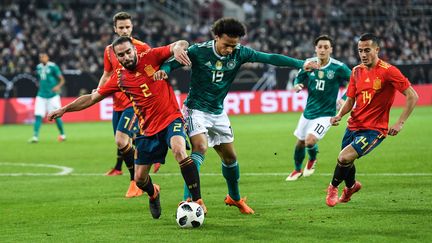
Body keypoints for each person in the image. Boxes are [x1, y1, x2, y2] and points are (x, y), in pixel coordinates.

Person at [155, 17, 316, 214]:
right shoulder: (199, 51)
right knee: (200, 147)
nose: (230, 49)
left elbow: (270, 58)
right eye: (226, 45)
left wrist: (301, 63)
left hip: (218, 112)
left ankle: (235, 197)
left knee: (230, 158)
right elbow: (172, 63)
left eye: (234, 45)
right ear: (216, 37)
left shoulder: (240, 53)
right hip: (195, 109)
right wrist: (164, 70)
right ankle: (187, 199)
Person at [48, 36, 203, 219]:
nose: (126, 57)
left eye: (128, 52)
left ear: (134, 50)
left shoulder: (151, 56)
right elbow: (92, 97)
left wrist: (178, 48)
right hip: (147, 130)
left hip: (171, 118)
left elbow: (181, 43)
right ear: (117, 57)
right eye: (121, 55)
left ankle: (198, 201)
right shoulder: (119, 78)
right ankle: (153, 192)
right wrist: (64, 109)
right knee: (139, 179)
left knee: (179, 149)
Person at [325, 33, 418, 207]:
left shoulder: (388, 71)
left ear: (377, 50)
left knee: (344, 157)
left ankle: (332, 187)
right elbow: (351, 100)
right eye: (360, 50)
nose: (363, 54)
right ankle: (351, 187)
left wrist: (400, 122)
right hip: (353, 125)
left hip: (374, 129)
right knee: (347, 161)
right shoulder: (356, 71)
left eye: (367, 50)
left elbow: (412, 96)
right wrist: (339, 115)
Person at [96, 11, 160, 198]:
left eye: (128, 27)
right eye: (121, 27)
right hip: (117, 103)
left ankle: (135, 182)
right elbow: (107, 74)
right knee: (124, 144)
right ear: (114, 29)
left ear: (132, 27)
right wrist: (98, 91)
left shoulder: (141, 48)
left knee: (122, 140)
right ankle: (153, 155)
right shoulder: (109, 50)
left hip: (135, 102)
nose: (124, 30)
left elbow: (152, 72)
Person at [286, 35, 351, 181]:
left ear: (331, 50)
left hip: (326, 114)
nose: (322, 50)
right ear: (315, 49)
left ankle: (312, 159)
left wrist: (345, 98)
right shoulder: (309, 63)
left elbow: (354, 81)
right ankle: (297, 170)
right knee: (300, 142)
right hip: (308, 112)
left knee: (310, 141)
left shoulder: (338, 67)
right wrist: (298, 84)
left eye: (326, 47)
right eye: (320, 47)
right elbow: (299, 77)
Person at [29, 53, 66, 143]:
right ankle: (35, 136)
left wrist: (58, 86)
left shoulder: (53, 67)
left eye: (43, 56)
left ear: (47, 57)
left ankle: (62, 134)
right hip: (41, 95)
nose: (42, 58)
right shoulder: (38, 67)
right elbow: (40, 79)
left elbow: (62, 79)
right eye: (40, 57)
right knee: (38, 115)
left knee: (57, 115)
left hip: (52, 96)